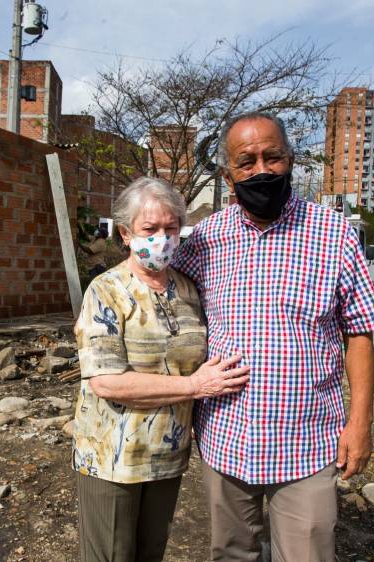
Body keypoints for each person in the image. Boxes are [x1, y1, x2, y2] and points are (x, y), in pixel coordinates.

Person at [171, 112, 374, 561]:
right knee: (231, 552)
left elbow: (360, 334)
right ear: (229, 175)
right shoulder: (206, 240)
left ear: (291, 160)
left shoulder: (334, 234)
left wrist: (360, 423)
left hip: (306, 439)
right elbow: (168, 305)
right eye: (246, 161)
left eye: (274, 157)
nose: (261, 170)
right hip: (226, 435)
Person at [72, 176, 250, 561]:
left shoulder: (188, 289)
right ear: (126, 233)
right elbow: (105, 381)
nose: (163, 238)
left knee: (151, 553)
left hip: (167, 455)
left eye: (171, 228)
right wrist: (195, 386)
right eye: (150, 229)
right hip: (113, 459)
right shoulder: (106, 290)